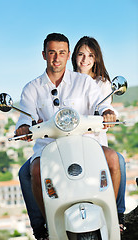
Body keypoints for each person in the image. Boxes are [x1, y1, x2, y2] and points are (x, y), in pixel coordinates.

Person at [16, 33, 124, 239]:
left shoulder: (83, 81)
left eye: (62, 53)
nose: (57, 58)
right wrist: (23, 128)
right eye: (52, 52)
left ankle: (113, 217)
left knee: (112, 158)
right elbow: (25, 117)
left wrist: (107, 112)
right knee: (36, 170)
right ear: (44, 55)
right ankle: (47, 226)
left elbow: (101, 104)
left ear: (68, 56)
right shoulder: (32, 88)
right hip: (49, 148)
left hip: (85, 143)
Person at [71, 36, 126, 232]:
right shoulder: (66, 82)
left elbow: (106, 106)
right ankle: (42, 225)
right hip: (69, 143)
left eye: (90, 56)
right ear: (74, 57)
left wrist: (109, 114)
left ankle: (117, 213)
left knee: (117, 161)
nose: (85, 60)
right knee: (27, 172)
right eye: (81, 54)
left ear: (96, 59)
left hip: (94, 142)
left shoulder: (102, 83)